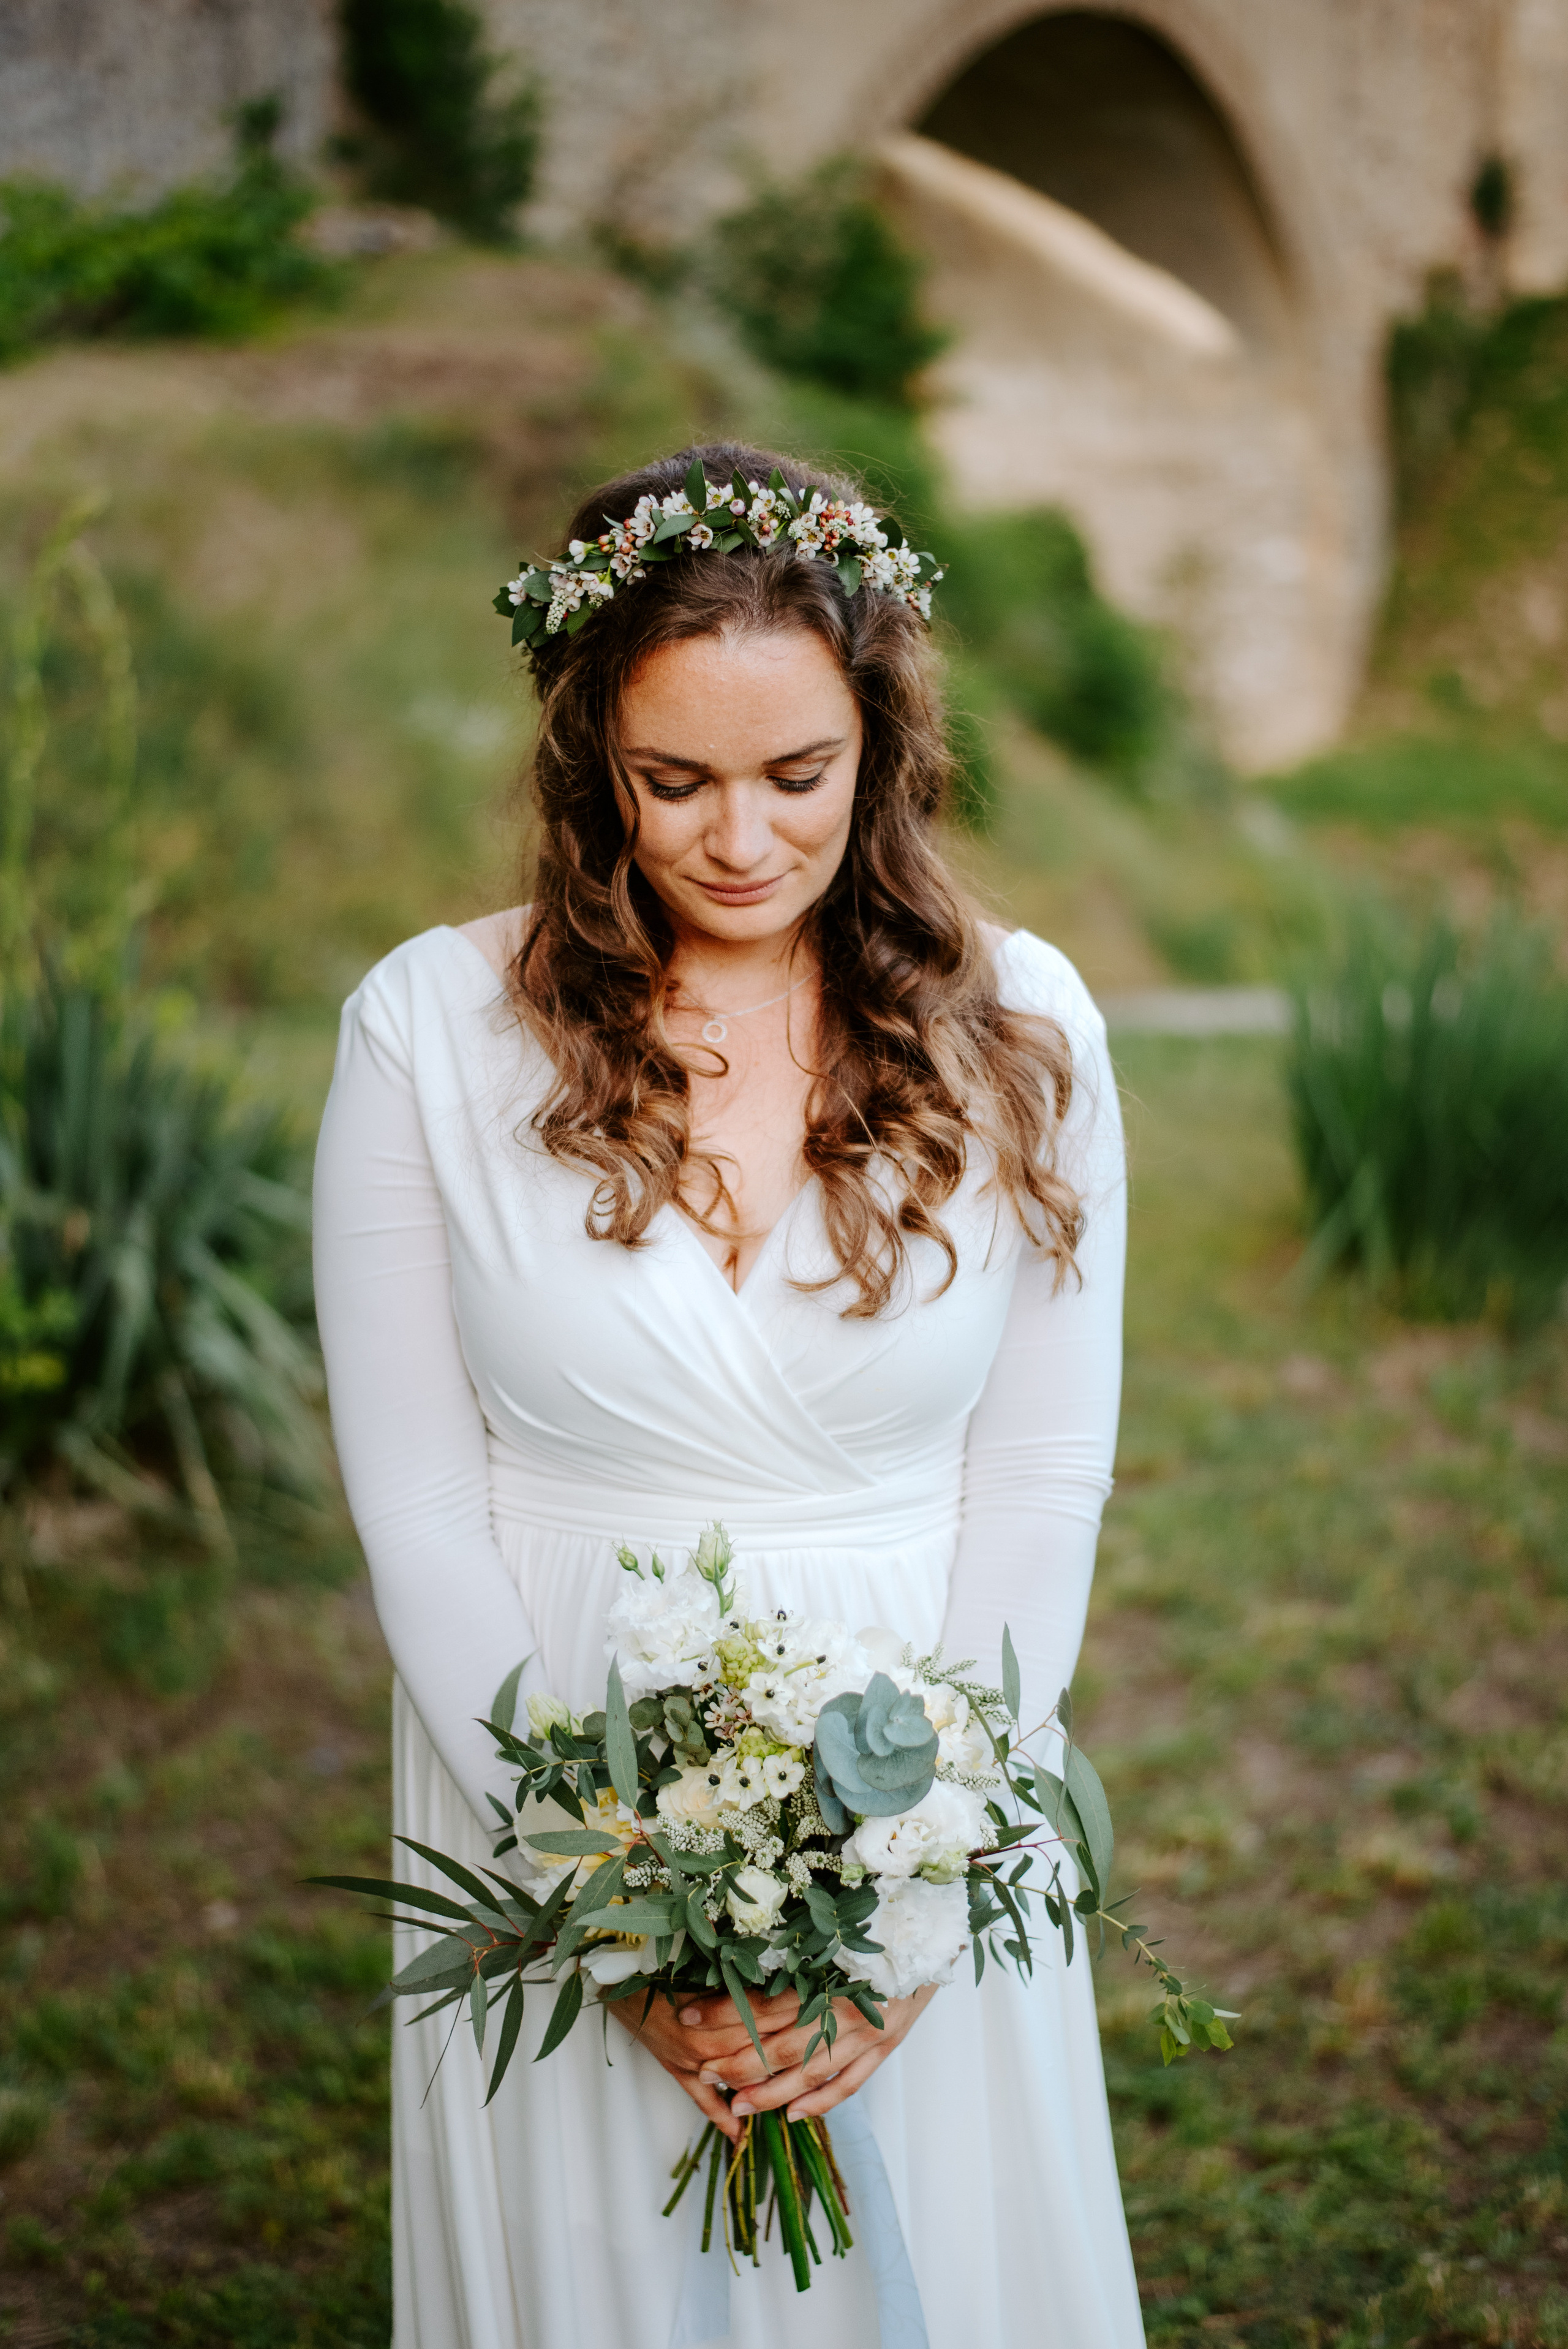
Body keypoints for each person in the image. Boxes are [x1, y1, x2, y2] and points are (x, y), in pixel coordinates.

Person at [313, 441, 1144, 2349]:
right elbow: (422, 1509)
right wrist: (594, 1905)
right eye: (672, 780)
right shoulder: (428, 1032)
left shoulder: (1026, 1033)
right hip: (553, 1742)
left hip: (918, 1773)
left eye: (800, 777)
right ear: (587, 757)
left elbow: (1042, 1480)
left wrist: (918, 1908)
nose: (742, 840)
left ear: (884, 747)